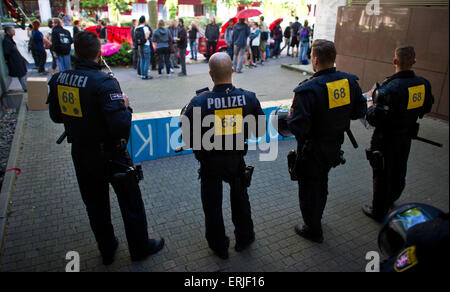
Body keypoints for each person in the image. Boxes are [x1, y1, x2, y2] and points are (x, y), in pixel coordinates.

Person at [47, 31, 164, 265]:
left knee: (95, 204)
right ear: (99, 55)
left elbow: (56, 117)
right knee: (130, 201)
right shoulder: (104, 82)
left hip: (81, 153)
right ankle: (139, 247)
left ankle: (107, 249)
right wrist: (126, 106)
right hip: (111, 154)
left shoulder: (59, 79)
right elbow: (121, 126)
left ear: (75, 52)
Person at [181, 52, 265, 259]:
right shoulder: (249, 98)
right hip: (236, 160)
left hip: (210, 163)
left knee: (212, 205)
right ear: (232, 71)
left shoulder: (199, 101)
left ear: (210, 74)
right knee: (240, 200)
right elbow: (260, 131)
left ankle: (219, 246)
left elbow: (185, 134)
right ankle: (244, 239)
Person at [287, 40, 367, 243]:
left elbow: (297, 127)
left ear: (314, 60)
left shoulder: (308, 89)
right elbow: (359, 112)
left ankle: (312, 229)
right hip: (334, 146)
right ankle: (317, 218)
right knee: (321, 183)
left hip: (312, 150)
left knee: (309, 189)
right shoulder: (350, 82)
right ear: (333, 59)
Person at [362, 46, 434, 222]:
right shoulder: (423, 84)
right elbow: (426, 108)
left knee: (381, 172)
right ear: (414, 62)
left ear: (395, 61)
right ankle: (392, 198)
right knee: (399, 168)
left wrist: (370, 103)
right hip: (406, 135)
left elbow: (374, 119)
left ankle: (378, 211)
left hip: (385, 138)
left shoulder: (389, 88)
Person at [2, 26, 28, 91]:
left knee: (22, 74)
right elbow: (7, 53)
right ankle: (25, 88)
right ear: (8, 32)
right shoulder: (7, 41)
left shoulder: (9, 39)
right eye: (12, 30)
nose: (14, 32)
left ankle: (26, 87)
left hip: (17, 60)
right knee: (21, 75)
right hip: (14, 61)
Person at [136, 16, 153, 80]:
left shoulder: (137, 28)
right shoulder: (145, 28)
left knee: (142, 60)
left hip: (140, 46)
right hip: (146, 45)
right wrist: (148, 34)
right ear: (144, 21)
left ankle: (142, 74)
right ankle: (145, 75)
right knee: (147, 60)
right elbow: (147, 36)